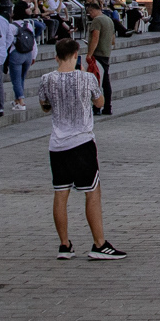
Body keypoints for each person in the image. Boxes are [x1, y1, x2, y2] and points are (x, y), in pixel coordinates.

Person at [36, 37, 125, 260]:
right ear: (76, 55)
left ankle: (64, 245)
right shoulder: (87, 78)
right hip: (82, 143)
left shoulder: (46, 79)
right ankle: (99, 243)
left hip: (57, 144)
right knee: (92, 192)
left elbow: (45, 106)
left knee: (60, 193)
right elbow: (100, 103)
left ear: (56, 56)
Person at [86, 0, 117, 117]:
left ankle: (97, 107)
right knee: (105, 81)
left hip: (98, 54)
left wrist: (89, 54)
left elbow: (95, 37)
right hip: (106, 52)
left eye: (90, 13)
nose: (90, 15)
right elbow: (113, 39)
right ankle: (108, 106)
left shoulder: (97, 21)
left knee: (96, 80)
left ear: (93, 10)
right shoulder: (109, 19)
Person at [6, 8, 37, 111]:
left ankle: (21, 101)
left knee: (16, 79)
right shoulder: (28, 25)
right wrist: (33, 55)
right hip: (28, 54)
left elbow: (8, 42)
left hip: (16, 53)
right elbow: (33, 41)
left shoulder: (11, 27)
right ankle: (17, 100)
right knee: (22, 78)